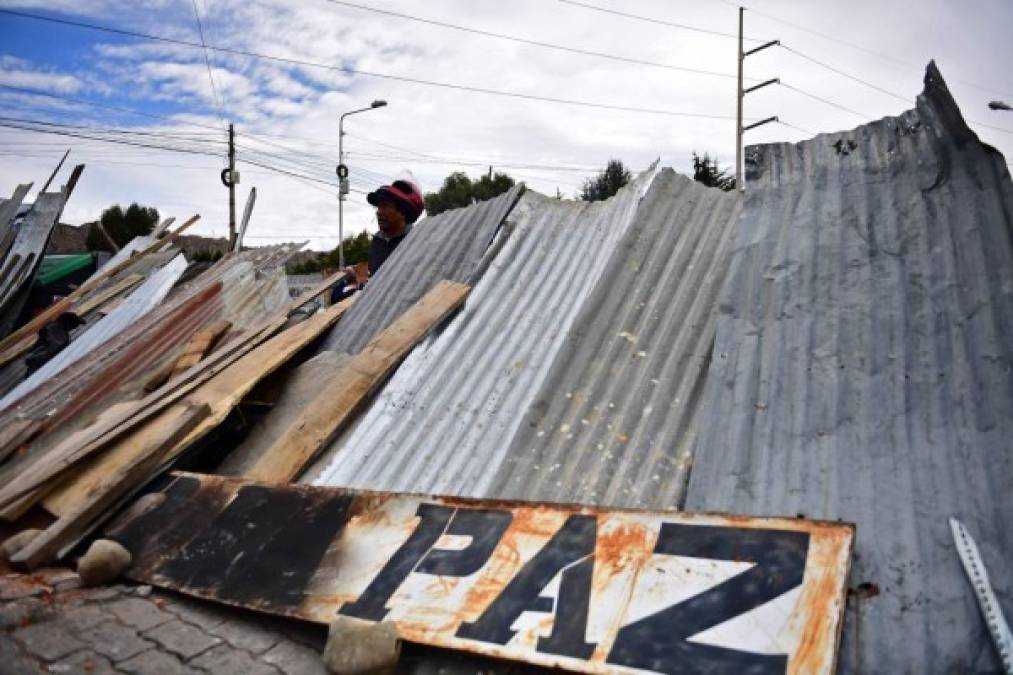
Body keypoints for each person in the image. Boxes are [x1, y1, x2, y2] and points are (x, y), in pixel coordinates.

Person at [331, 174, 425, 302]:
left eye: (385, 206)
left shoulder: (417, 242)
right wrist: (355, 281)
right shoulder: (378, 241)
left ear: (403, 213)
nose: (378, 212)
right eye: (378, 206)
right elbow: (376, 282)